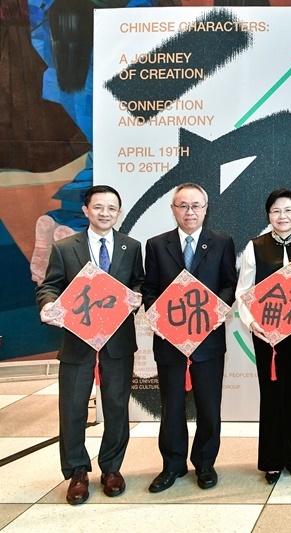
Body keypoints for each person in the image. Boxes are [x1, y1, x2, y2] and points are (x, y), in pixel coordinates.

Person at [36, 185, 144, 505]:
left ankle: (112, 468)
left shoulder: (131, 247)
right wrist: (48, 305)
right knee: (72, 407)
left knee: (116, 407)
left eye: (111, 208)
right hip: (77, 341)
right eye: (98, 207)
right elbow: (50, 286)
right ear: (86, 211)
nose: (105, 213)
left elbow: (138, 282)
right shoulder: (65, 247)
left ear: (119, 212)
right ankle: (77, 472)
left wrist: (137, 297)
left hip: (117, 342)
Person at [142, 183, 237, 492]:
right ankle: (172, 465)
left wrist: (216, 312)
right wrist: (158, 316)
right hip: (169, 341)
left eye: (196, 205)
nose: (190, 211)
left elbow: (229, 284)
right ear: (173, 209)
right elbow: (150, 289)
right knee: (171, 406)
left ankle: (205, 464)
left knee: (209, 406)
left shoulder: (222, 242)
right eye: (183, 206)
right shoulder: (157, 245)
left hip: (208, 340)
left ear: (206, 209)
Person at [235, 189, 291, 484]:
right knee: (271, 393)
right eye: (275, 211)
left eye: (288, 210)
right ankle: (272, 460)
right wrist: (251, 323)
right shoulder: (255, 247)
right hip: (265, 330)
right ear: (268, 215)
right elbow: (243, 291)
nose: (282, 216)